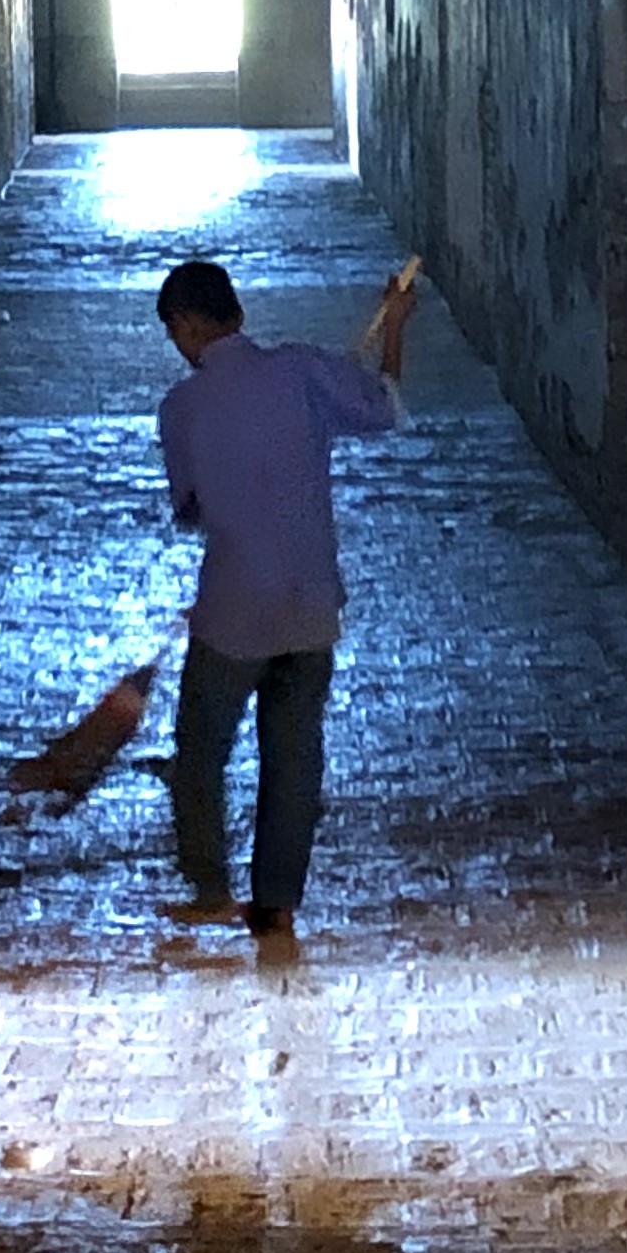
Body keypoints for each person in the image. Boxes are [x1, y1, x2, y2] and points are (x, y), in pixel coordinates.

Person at [152, 249, 419, 944]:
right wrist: (394, 323)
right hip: (310, 606)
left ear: (187, 326)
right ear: (237, 313)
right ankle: (277, 904)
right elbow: (384, 405)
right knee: (294, 758)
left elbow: (190, 509)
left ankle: (210, 890)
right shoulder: (303, 371)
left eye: (175, 332)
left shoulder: (181, 408)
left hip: (232, 611)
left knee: (201, 751)